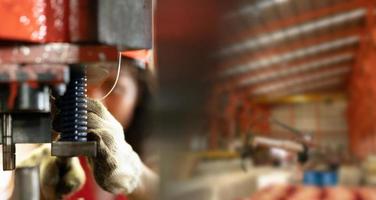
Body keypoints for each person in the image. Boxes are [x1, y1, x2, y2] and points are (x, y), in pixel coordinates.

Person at [3, 50, 159, 200]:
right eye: (78, 85)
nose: (93, 99)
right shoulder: (39, 156)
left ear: (139, 93)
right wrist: (36, 192)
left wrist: (136, 177)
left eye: (115, 86)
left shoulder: (158, 157)